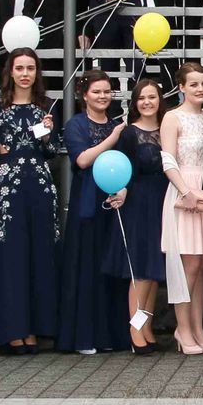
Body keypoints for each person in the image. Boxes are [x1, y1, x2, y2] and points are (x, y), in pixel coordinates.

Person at [0, 49, 63, 354]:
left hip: (40, 186)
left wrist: (47, 135)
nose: (25, 74)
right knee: (12, 257)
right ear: (11, 72)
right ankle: (13, 329)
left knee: (40, 255)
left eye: (30, 68)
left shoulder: (47, 106)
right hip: (8, 188)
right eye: (20, 68)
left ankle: (35, 329)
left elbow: (52, 152)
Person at [59, 70, 134, 356]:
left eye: (107, 91)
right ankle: (84, 336)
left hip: (113, 204)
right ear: (84, 95)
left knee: (111, 269)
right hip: (87, 204)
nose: (103, 96)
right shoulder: (76, 125)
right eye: (97, 92)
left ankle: (110, 335)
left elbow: (126, 165)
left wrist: (124, 191)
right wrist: (112, 138)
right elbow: (82, 160)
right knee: (86, 269)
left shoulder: (116, 125)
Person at [159, 62, 203, 354]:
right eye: (193, 84)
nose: (200, 89)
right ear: (181, 87)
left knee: (202, 262)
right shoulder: (172, 117)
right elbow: (168, 160)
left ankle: (197, 328)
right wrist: (186, 192)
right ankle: (182, 330)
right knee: (188, 266)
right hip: (183, 191)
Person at [116, 78, 169, 350]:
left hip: (164, 200)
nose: (147, 102)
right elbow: (124, 170)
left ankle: (146, 325)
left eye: (152, 97)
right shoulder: (129, 134)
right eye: (142, 98)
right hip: (140, 202)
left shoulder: (167, 128)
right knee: (141, 269)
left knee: (155, 269)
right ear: (135, 103)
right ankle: (134, 329)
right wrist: (121, 191)